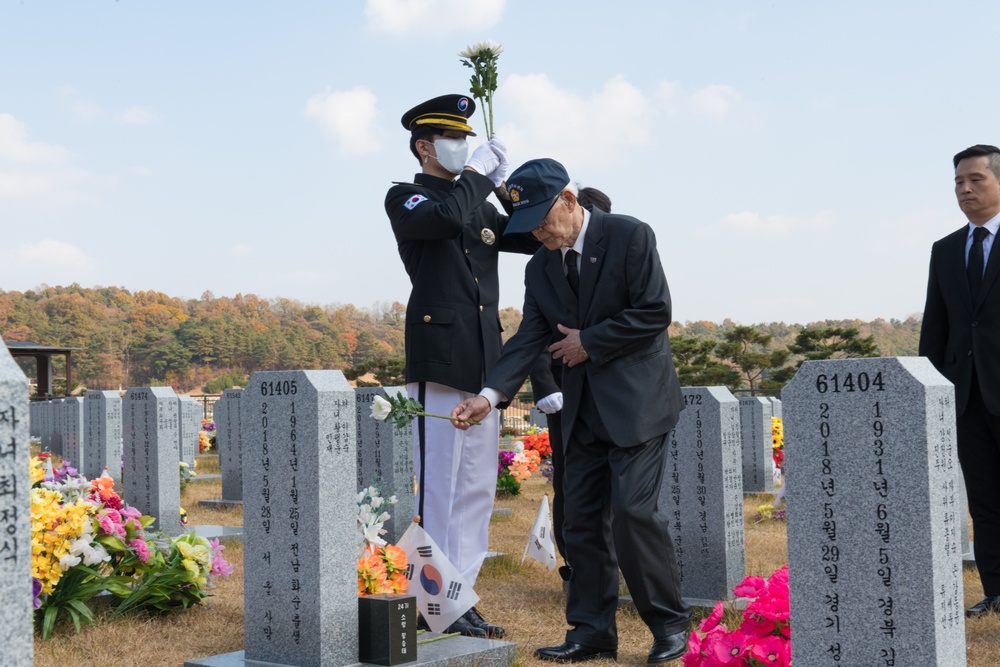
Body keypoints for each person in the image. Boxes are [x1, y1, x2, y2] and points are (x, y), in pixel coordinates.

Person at [451, 159, 691, 663]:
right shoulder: (540, 266)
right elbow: (530, 337)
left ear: (568, 199)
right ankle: (591, 631)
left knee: (632, 515)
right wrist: (489, 396)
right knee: (577, 521)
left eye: (544, 219)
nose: (539, 232)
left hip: (638, 405)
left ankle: (669, 625)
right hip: (581, 410)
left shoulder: (629, 236)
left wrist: (590, 342)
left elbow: (655, 311)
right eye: (529, 226)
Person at [385, 94, 539, 638]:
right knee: (440, 490)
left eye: (469, 141)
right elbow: (447, 218)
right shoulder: (407, 197)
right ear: (425, 147)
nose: (463, 148)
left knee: (476, 488)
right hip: (440, 360)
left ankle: (460, 597)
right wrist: (475, 174)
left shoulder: (476, 200)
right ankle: (433, 597)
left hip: (482, 362)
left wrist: (504, 186)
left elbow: (524, 234)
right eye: (453, 140)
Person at [920, 143, 1000, 618]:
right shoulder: (946, 249)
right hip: (966, 396)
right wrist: (932, 391)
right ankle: (995, 590)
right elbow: (938, 325)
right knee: (985, 501)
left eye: (976, 179)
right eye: (958, 182)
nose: (965, 189)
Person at [529, 187, 612, 578]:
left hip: (608, 392)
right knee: (571, 482)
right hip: (563, 391)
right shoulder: (547, 263)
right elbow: (538, 335)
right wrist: (545, 385)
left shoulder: (612, 253)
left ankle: (608, 559)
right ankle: (574, 561)